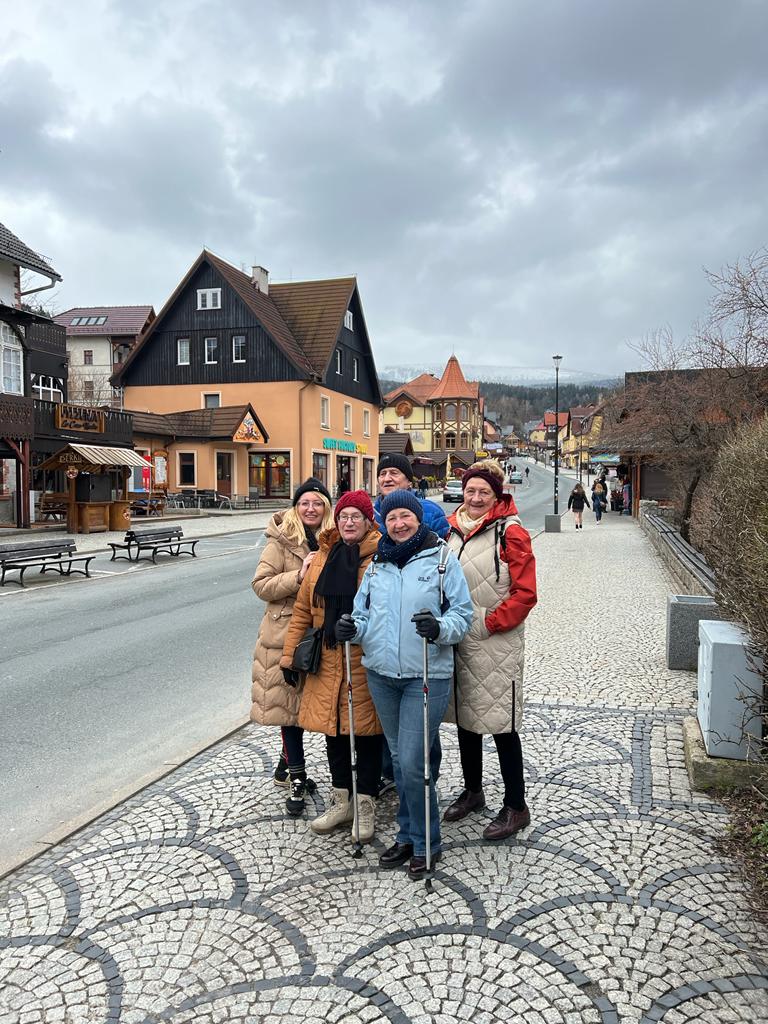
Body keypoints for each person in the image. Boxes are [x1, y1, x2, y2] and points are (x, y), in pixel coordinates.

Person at [336, 489, 473, 879]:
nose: (398, 524)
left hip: (425, 674)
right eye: (391, 517)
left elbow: (463, 614)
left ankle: (427, 841)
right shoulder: (377, 565)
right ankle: (408, 834)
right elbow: (364, 615)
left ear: (417, 518)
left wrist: (439, 627)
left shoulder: (442, 560)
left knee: (413, 763)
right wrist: (352, 629)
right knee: (400, 760)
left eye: (405, 516)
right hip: (381, 674)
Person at [281, 490, 383, 843]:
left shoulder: (380, 557)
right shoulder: (324, 555)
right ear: (336, 521)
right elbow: (302, 611)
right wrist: (289, 656)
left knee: (367, 735)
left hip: (363, 660)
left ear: (368, 521)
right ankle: (342, 803)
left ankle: (366, 807)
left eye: (357, 517)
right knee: (334, 732)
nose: (349, 522)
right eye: (344, 517)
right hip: (326, 658)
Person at [444, 459, 537, 840]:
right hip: (458, 638)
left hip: (496, 641)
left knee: (501, 724)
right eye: (471, 491)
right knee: (466, 718)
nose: (476, 497)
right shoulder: (452, 530)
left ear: (497, 495)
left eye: (484, 492)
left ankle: (516, 805)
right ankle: (473, 791)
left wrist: (489, 622)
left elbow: (526, 594)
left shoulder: (511, 532)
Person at [250, 478, 334, 816]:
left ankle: (289, 764)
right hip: (285, 635)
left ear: (327, 507)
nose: (311, 509)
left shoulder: (335, 537)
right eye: (304, 503)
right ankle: (296, 775)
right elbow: (260, 585)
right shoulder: (281, 541)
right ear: (296, 507)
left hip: (323, 634)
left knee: (320, 706)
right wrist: (298, 577)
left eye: (317, 503)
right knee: (289, 709)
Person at [373, 453, 449, 794]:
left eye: (395, 473)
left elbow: (443, 559)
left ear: (408, 479)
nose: (387, 478)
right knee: (387, 717)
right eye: (383, 473)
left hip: (420, 624)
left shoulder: (429, 512)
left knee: (420, 718)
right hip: (383, 625)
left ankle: (425, 775)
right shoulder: (371, 513)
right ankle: (392, 773)